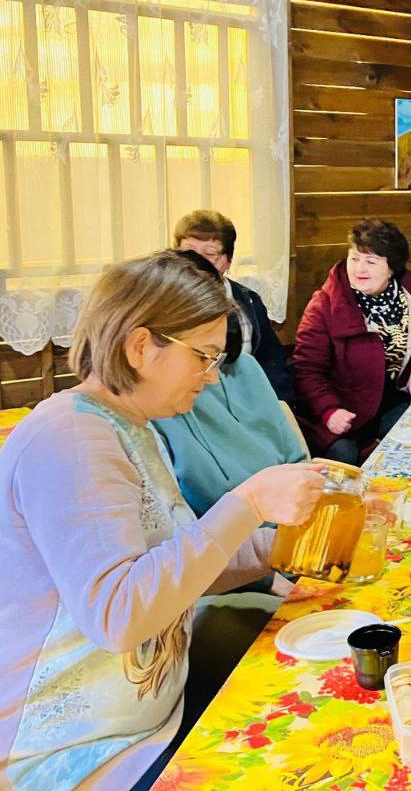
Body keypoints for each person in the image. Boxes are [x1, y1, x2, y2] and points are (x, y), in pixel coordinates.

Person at [0, 251, 323, 790]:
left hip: (154, 712)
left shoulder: (132, 426)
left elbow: (178, 565)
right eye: (204, 357)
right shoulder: (71, 439)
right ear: (140, 347)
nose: (212, 379)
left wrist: (291, 543)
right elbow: (119, 615)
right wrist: (247, 503)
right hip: (81, 753)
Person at [292, 219, 411, 464]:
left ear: (391, 268)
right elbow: (306, 369)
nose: (359, 269)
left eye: (371, 261)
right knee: (343, 455)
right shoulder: (324, 305)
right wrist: (329, 410)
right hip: (340, 410)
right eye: (354, 258)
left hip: (392, 402)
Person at [153, 250, 310, 518]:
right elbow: (194, 509)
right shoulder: (158, 403)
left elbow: (295, 460)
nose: (211, 376)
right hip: (233, 533)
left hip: (284, 518)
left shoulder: (245, 367)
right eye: (202, 355)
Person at [174, 210, 294, 403]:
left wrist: (276, 404)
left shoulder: (248, 301)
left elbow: (271, 361)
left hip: (246, 402)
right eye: (188, 252)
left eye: (210, 253)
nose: (196, 262)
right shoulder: (164, 305)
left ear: (228, 261)